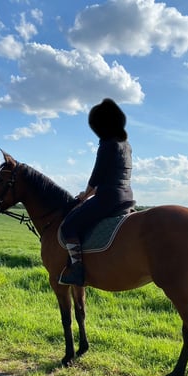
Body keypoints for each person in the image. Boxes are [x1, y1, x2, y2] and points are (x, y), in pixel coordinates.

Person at [58, 98, 135, 286]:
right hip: (126, 196)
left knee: (69, 225)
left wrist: (84, 196)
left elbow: (97, 176)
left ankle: (77, 269)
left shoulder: (108, 143)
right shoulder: (126, 144)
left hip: (108, 198)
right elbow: (112, 175)